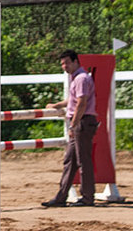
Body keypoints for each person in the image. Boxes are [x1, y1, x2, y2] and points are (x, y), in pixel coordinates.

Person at [41, 49, 99, 208]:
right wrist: (57, 105)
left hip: (82, 122)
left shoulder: (80, 78)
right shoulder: (78, 78)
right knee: (71, 161)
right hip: (82, 121)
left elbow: (81, 103)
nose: (64, 66)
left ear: (75, 61)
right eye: (62, 64)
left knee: (82, 161)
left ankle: (87, 197)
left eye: (66, 62)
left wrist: (73, 124)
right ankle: (61, 197)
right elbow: (74, 100)